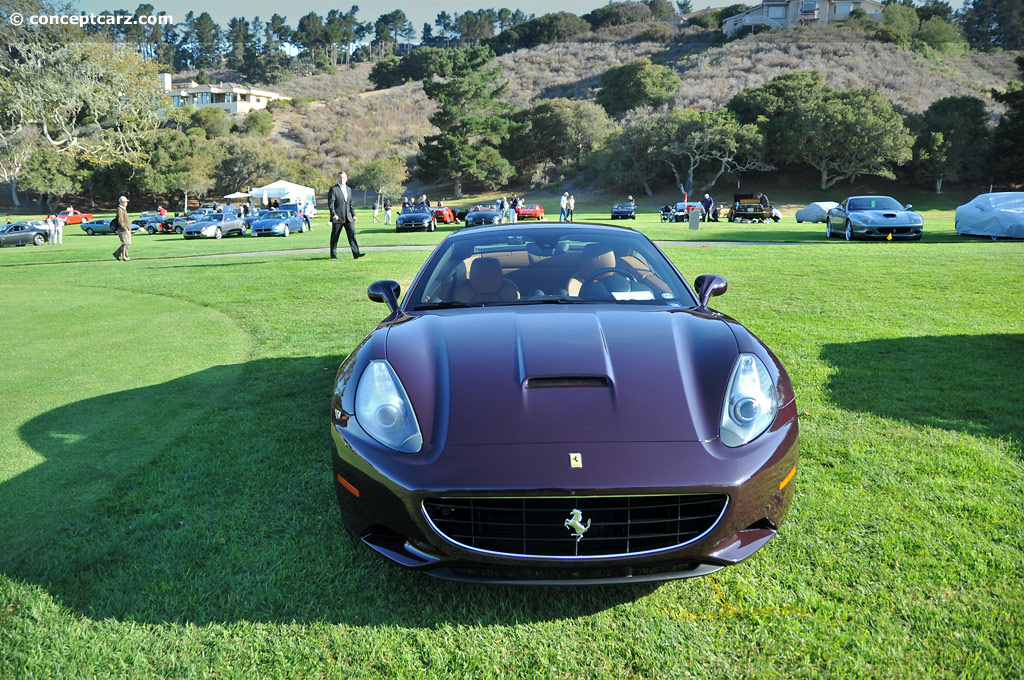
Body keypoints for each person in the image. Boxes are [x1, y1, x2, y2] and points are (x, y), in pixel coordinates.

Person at [327, 170, 362, 259]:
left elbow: (350, 204)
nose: (342, 179)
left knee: (352, 234)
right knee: (335, 236)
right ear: (337, 178)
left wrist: (354, 215)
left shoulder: (349, 189)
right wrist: (333, 214)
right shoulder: (333, 189)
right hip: (338, 217)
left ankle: (356, 253)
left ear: (346, 178)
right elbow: (331, 203)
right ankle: (333, 254)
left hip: (348, 217)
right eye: (340, 177)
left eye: (343, 177)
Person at [113, 195, 132, 261]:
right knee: (125, 243)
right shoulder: (120, 210)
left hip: (126, 228)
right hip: (122, 229)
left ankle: (118, 253)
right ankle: (124, 256)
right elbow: (120, 221)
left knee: (128, 242)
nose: (126, 203)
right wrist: (125, 228)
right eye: (125, 202)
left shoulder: (123, 209)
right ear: (121, 202)